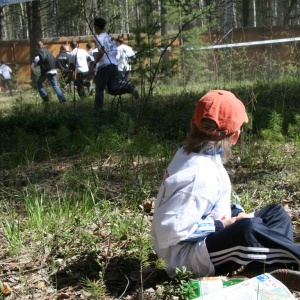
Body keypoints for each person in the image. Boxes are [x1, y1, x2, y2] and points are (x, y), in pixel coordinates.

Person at [151, 90, 300, 291]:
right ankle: (283, 264)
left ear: (192, 124)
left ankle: (258, 273)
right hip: (185, 258)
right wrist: (224, 225)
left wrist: (236, 213)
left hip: (201, 242)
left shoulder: (201, 156)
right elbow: (168, 230)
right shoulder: (198, 174)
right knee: (248, 230)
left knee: (276, 214)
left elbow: (206, 204)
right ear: (235, 136)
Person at [93, 17, 139, 111]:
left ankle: (98, 111)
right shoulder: (110, 38)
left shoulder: (99, 38)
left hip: (104, 66)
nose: (94, 28)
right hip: (114, 64)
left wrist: (95, 62)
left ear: (97, 27)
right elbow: (114, 51)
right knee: (113, 89)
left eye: (94, 26)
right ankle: (128, 87)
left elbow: (101, 52)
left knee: (99, 90)